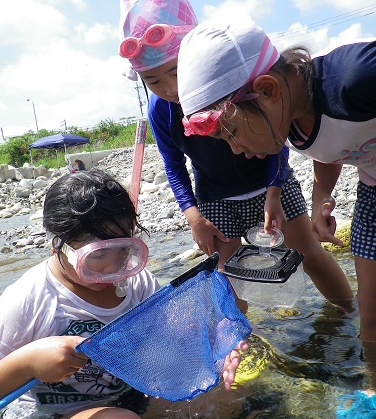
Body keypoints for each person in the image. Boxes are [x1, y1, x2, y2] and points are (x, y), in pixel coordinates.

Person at [176, 16, 376, 415]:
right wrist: (323, 194)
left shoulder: (359, 75)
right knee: (373, 320)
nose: (235, 150)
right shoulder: (286, 119)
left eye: (231, 133)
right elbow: (330, 147)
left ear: (267, 90)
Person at [0, 169, 248, 418]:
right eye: (97, 257)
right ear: (58, 245)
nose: (114, 270)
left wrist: (214, 346)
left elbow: (174, 343)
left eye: (124, 253)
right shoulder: (31, 299)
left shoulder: (137, 284)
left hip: (128, 398)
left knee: (226, 395)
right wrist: (27, 361)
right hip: (54, 414)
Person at [119, 0, 354, 312]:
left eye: (175, 73)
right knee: (228, 275)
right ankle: (240, 344)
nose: (171, 89)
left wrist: (274, 193)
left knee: (307, 253)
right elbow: (174, 166)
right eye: (154, 81)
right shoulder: (160, 111)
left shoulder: (224, 85)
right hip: (215, 197)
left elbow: (276, 137)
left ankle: (349, 313)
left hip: (271, 182)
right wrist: (194, 218)